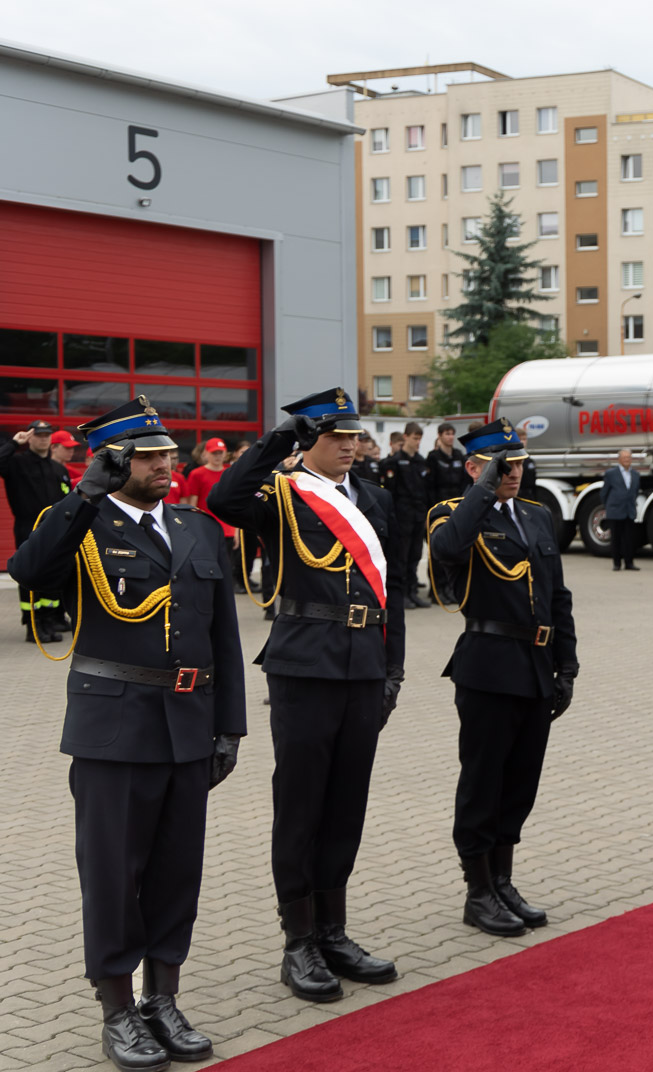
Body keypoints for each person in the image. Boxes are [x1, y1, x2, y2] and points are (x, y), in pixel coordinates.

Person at [7, 397, 246, 1071]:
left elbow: (220, 635)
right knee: (114, 875)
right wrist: (82, 497)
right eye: (148, 455)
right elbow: (28, 572)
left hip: (188, 725)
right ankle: (116, 1009)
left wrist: (229, 726)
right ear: (114, 462)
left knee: (177, 872)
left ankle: (162, 997)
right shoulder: (84, 521)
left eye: (169, 452)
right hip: (114, 726)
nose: (167, 463)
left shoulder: (197, 530)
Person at [207, 388, 408, 1004]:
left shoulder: (374, 499)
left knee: (347, 803)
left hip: (364, 667)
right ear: (311, 440)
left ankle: (333, 931)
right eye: (335, 437)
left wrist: (392, 671)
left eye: (354, 437)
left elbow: (391, 591)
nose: (350, 447)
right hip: (303, 666)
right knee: (301, 804)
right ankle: (298, 940)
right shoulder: (284, 495)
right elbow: (224, 499)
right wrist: (278, 441)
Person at [426, 420, 579, 938]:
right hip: (488, 665)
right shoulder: (454, 514)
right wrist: (483, 489)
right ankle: (477, 890)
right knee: (482, 782)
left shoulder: (536, 517)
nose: (514, 472)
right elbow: (448, 550)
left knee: (519, 783)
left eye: (516, 464)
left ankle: (503, 879)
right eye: (502, 465)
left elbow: (558, 597)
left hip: (535, 666)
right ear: (475, 467)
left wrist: (568, 664)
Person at [1, 419, 71, 640]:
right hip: (27, 527)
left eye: (46, 435)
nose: (43, 438)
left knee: (52, 574)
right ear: (30, 437)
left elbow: (67, 501)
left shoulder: (58, 469)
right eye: (38, 435)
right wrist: (14, 442)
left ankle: (49, 620)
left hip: (54, 529)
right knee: (29, 575)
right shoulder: (17, 463)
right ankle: (33, 625)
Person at [182, 438, 246, 589]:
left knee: (227, 566)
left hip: (228, 528)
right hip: (205, 528)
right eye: (214, 453)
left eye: (220, 453)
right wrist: (192, 528)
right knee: (206, 565)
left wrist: (237, 531)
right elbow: (193, 504)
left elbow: (234, 504)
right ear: (206, 454)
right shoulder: (197, 474)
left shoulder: (229, 473)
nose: (217, 456)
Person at [380, 423, 431, 608]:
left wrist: (426, 514)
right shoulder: (393, 461)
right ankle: (400, 595)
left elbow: (425, 491)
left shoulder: (420, 461)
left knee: (415, 556)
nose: (417, 442)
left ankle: (412, 591)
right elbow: (390, 493)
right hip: (402, 516)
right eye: (415, 438)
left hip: (418, 515)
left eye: (419, 439)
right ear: (406, 437)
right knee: (400, 558)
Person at [600, 449, 643, 572]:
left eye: (629, 458)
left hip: (629, 510)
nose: (627, 460)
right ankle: (617, 563)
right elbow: (604, 493)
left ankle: (629, 563)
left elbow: (635, 491)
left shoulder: (635, 474)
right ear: (619, 459)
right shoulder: (611, 473)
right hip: (615, 511)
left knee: (629, 539)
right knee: (616, 539)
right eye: (624, 458)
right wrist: (609, 506)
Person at [425, 423, 470, 505]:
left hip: (457, 500)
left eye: (452, 434)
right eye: (447, 434)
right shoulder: (433, 456)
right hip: (441, 501)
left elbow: (464, 480)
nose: (451, 437)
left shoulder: (458, 455)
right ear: (439, 435)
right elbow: (430, 485)